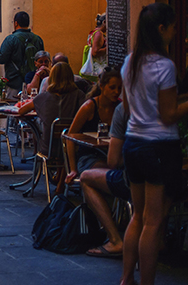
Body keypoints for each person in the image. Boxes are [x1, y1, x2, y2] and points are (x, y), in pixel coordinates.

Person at [119, 3, 188, 285]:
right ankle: (146, 283)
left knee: (138, 217)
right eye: (174, 26)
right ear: (161, 29)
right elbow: (168, 115)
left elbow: (128, 106)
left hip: (133, 142)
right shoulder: (164, 66)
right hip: (159, 147)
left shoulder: (130, 62)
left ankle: (126, 278)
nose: (178, 32)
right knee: (154, 222)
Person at [78, 103, 131, 258]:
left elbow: (113, 161)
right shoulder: (170, 106)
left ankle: (115, 240)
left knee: (86, 178)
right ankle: (160, 239)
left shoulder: (125, 109)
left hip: (135, 181)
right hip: (177, 180)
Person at [18, 62, 85, 159]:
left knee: (38, 123)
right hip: (74, 148)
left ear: (51, 78)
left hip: (49, 148)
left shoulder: (43, 97)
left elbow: (21, 111)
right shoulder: (79, 95)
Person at [65, 69, 122, 180]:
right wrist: (72, 169)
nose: (116, 92)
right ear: (102, 86)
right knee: (110, 175)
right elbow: (70, 137)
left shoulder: (120, 108)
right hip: (90, 156)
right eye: (112, 87)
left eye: (120, 88)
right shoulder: (89, 107)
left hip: (113, 156)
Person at [0, 11, 45, 99]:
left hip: (15, 82)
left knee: (14, 108)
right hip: (33, 82)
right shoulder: (37, 39)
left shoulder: (11, 39)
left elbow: (1, 59)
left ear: (16, 23)